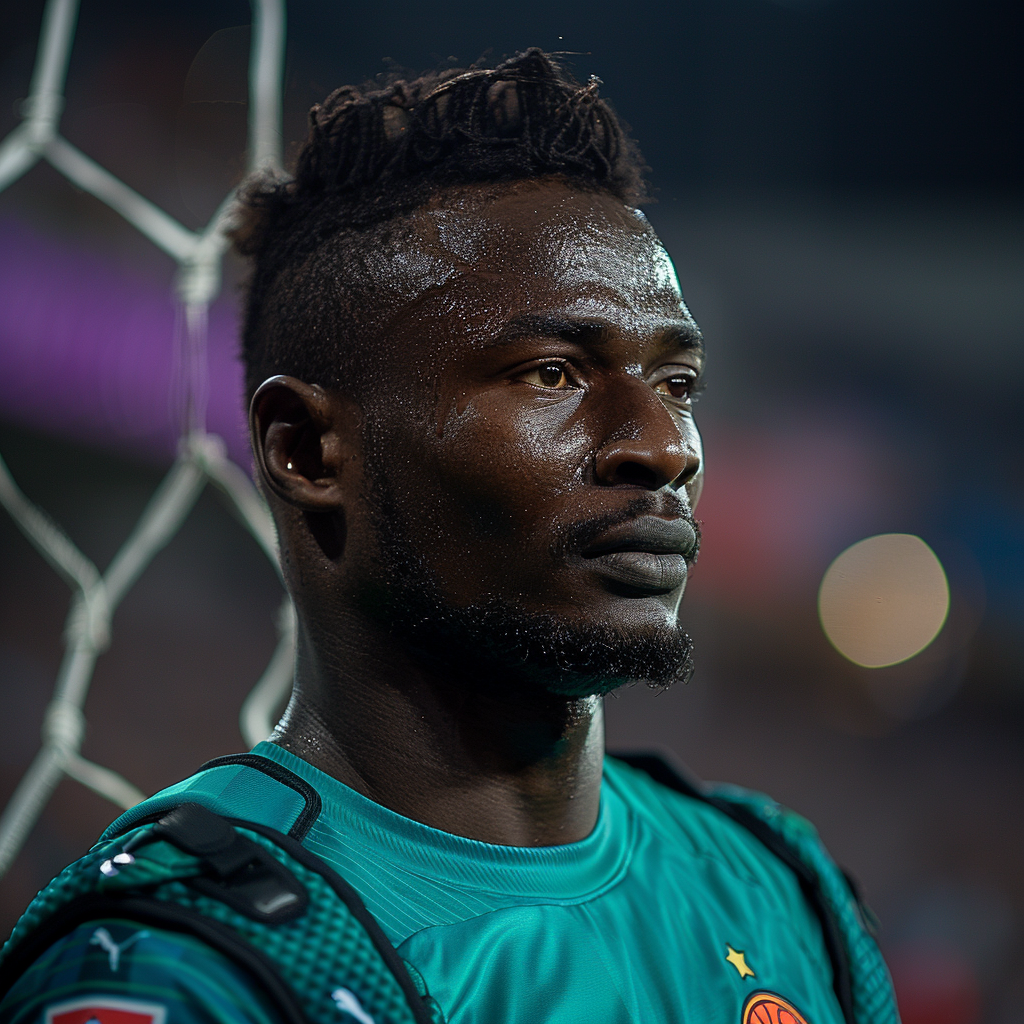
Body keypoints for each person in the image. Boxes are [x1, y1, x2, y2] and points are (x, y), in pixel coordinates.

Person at [0, 50, 897, 1024]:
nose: (663, 446)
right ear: (306, 449)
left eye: (677, 384)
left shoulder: (780, 888)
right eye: (552, 373)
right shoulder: (188, 967)